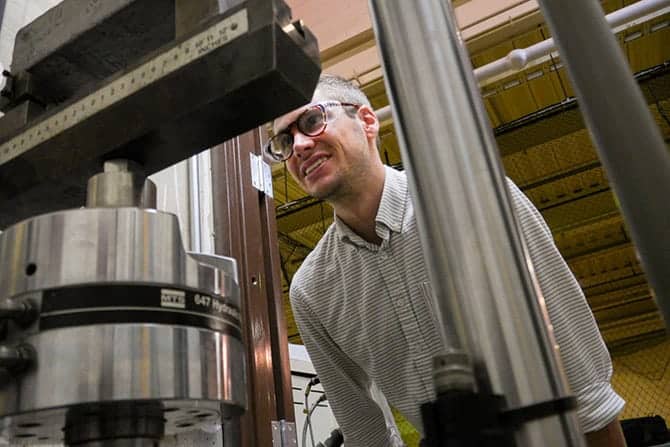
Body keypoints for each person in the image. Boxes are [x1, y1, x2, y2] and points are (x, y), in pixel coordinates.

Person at [266, 74, 626, 447]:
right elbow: (365, 432)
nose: (300, 146)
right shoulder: (312, 290)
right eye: (284, 141)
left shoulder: (482, 200)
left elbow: (584, 380)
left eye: (311, 121)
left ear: (368, 122)